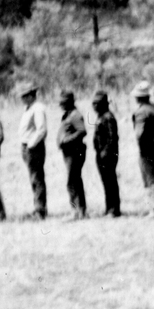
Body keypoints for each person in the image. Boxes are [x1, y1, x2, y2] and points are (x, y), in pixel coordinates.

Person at [131, 81, 154, 218]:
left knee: (151, 179)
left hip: (146, 149)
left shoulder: (141, 112)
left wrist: (141, 150)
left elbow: (139, 134)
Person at [17, 83, 52, 219]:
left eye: (25, 96)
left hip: (34, 148)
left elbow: (41, 129)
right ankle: (38, 207)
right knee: (34, 178)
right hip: (27, 146)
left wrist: (31, 145)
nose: (23, 99)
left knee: (36, 178)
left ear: (32, 95)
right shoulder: (29, 108)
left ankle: (40, 210)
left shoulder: (38, 108)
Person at [55, 90, 90, 219]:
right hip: (69, 152)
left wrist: (66, 141)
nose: (61, 105)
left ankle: (76, 211)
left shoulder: (75, 115)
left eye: (63, 103)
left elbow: (82, 131)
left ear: (69, 103)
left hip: (75, 152)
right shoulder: (67, 115)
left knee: (72, 182)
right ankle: (80, 211)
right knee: (75, 181)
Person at [92, 91, 122, 218]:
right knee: (106, 182)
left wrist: (105, 152)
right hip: (101, 154)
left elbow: (112, 138)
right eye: (93, 104)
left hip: (108, 155)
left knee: (110, 182)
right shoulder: (101, 116)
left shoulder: (108, 117)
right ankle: (109, 207)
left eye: (97, 104)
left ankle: (114, 209)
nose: (94, 106)